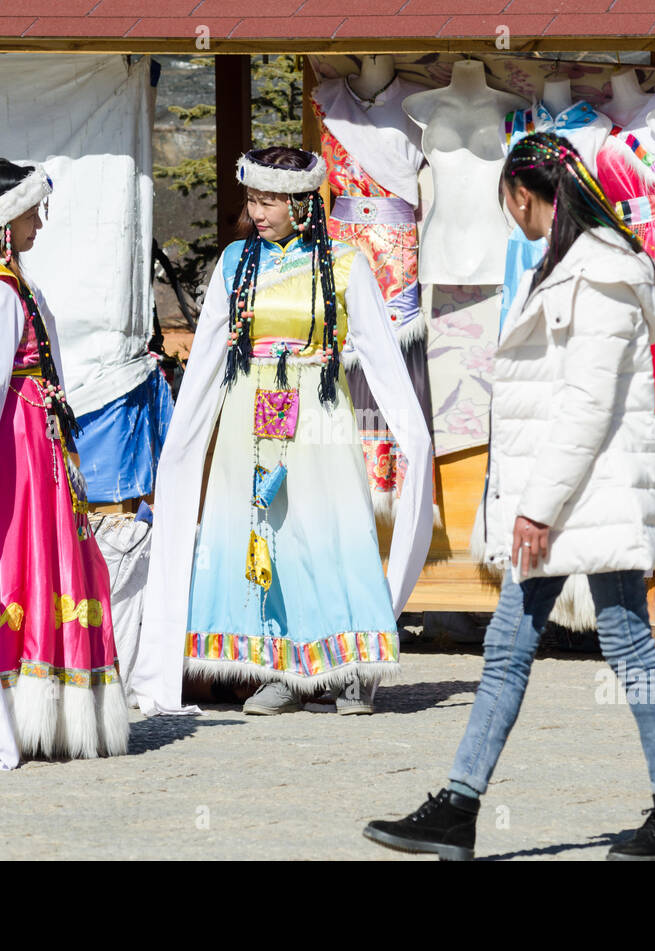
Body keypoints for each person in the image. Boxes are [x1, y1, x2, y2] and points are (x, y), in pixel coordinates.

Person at [363, 132, 655, 861]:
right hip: (563, 497)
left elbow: (587, 403)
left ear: (525, 193)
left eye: (509, 204)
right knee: (509, 649)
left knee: (624, 642)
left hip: (586, 496)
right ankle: (460, 804)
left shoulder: (605, 274)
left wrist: (537, 506)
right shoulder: (562, 267)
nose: (510, 218)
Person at [134, 147, 432, 717]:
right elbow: (205, 365)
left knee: (330, 531)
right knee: (263, 535)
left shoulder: (345, 264)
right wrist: (185, 445)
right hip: (249, 414)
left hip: (317, 414)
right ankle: (282, 668)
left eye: (268, 202)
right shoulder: (234, 263)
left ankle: (349, 670)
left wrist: (409, 431)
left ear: (301, 204)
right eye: (252, 200)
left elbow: (379, 355)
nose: (257, 212)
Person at [0, 159, 128, 767]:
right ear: (8, 218)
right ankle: (31, 708)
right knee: (27, 554)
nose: (40, 223)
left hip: (33, 439)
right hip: (19, 448)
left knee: (39, 557)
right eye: (33, 213)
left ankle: (44, 712)